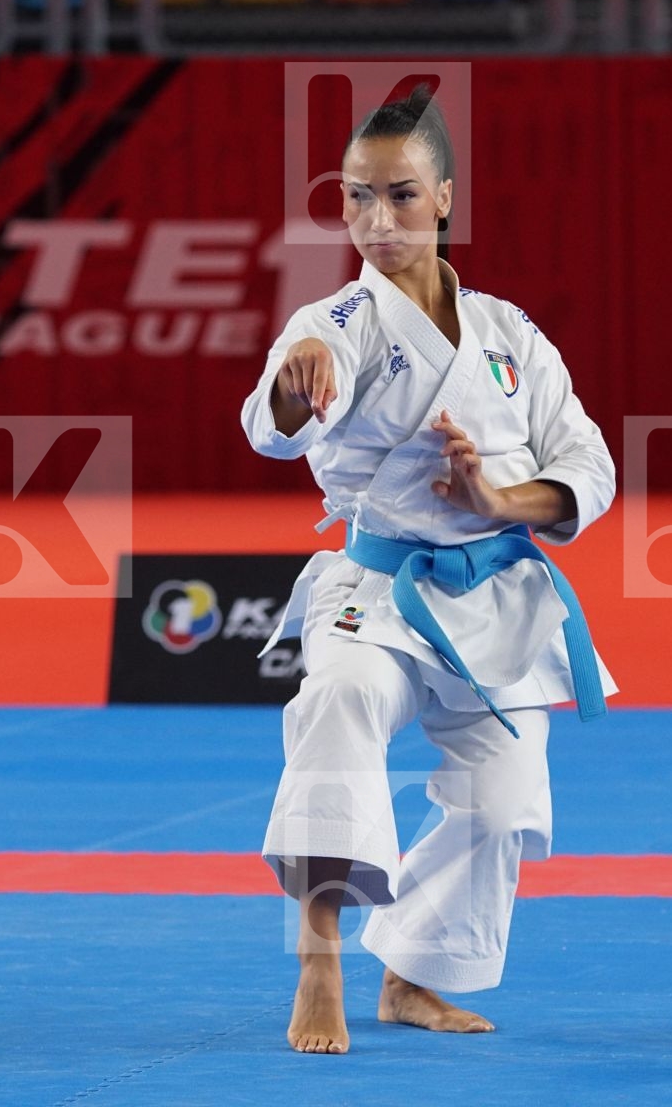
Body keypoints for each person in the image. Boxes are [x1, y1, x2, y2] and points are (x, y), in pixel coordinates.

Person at [240, 83, 618, 1056]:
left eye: (401, 196)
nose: (377, 220)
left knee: (503, 807)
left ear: (444, 198)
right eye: (357, 197)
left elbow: (588, 469)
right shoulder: (340, 324)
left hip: (495, 596)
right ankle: (319, 956)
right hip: (377, 589)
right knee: (340, 699)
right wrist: (294, 387)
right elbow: (279, 411)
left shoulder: (509, 337)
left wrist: (501, 502)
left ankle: (413, 974)